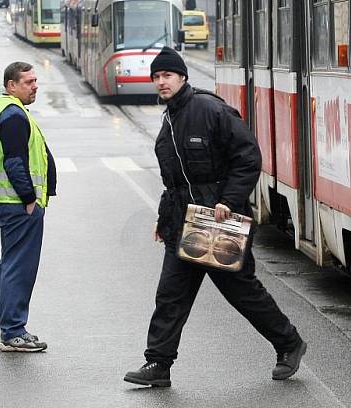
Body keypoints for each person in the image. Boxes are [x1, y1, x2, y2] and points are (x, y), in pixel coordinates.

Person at [124, 47, 306, 388]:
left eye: (167, 75)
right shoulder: (171, 118)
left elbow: (248, 157)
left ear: (182, 77)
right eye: (157, 77)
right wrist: (164, 222)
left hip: (217, 221)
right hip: (184, 223)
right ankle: (158, 364)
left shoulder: (210, 110)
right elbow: (175, 182)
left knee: (243, 293)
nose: (161, 82)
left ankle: (289, 343)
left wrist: (229, 200)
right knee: (170, 294)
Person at [0, 62, 56, 352]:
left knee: (11, 264)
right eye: (28, 82)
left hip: (10, 203)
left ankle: (12, 328)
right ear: (11, 85)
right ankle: (12, 332)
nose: (35, 86)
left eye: (36, 81)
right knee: (19, 268)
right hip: (18, 205)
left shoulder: (4, 108)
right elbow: (14, 161)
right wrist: (29, 199)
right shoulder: (12, 115)